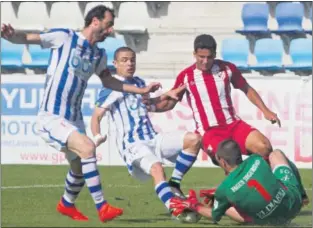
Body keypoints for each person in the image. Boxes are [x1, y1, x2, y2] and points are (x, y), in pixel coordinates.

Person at [1, 5, 162, 223]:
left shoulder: (98, 55)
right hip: (52, 115)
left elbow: (109, 81)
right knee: (88, 148)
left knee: (78, 168)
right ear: (95, 21)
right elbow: (29, 38)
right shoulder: (64, 37)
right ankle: (102, 207)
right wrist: (12, 36)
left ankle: (66, 203)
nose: (110, 30)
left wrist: (140, 90)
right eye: (107, 25)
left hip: (74, 118)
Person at [143, 34, 308, 202]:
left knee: (265, 147)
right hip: (209, 132)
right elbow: (170, 103)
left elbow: (246, 88)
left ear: (215, 54)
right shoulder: (186, 77)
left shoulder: (227, 69)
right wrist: (149, 107)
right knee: (230, 164)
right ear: (194, 54)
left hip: (233, 125)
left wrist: (266, 111)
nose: (205, 61)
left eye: (209, 57)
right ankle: (246, 199)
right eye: (201, 57)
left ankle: (280, 190)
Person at [90, 46, 202, 216]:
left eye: (132, 60)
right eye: (124, 60)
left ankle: (174, 184)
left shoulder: (139, 83)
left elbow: (149, 106)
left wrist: (168, 95)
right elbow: (96, 116)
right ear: (115, 63)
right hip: (133, 145)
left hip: (153, 139)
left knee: (193, 139)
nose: (129, 63)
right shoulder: (111, 88)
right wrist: (97, 136)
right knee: (157, 169)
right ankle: (174, 207)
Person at [170, 139, 304, 225]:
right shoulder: (257, 159)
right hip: (294, 203)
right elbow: (255, 181)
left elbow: (214, 216)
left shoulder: (225, 189)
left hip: (272, 222)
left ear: (222, 161)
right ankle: (303, 196)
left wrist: (194, 205)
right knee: (276, 154)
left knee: (225, 208)